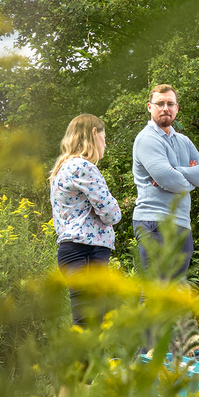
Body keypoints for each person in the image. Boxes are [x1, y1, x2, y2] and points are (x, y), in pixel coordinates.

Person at [131, 84, 199, 278]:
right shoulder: (147, 139)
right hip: (154, 222)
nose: (165, 108)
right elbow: (169, 180)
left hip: (182, 224)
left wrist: (176, 171)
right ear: (150, 107)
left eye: (170, 103)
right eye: (160, 103)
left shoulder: (184, 141)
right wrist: (189, 178)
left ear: (177, 108)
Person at [49, 114, 121, 326]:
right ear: (93, 133)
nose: (105, 143)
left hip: (73, 251)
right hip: (87, 252)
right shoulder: (84, 167)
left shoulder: (62, 168)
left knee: (85, 324)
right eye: (104, 137)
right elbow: (112, 214)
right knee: (89, 328)